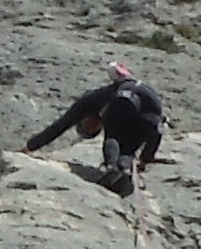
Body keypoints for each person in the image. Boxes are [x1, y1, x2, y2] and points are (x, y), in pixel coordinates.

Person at [23, 60, 165, 194]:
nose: (91, 127)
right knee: (128, 150)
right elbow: (155, 133)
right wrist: (145, 161)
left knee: (113, 135)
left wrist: (30, 147)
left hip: (125, 100)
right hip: (152, 110)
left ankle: (111, 168)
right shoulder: (139, 89)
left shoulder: (91, 100)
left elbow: (61, 125)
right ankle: (124, 171)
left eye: (86, 127)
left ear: (86, 117)